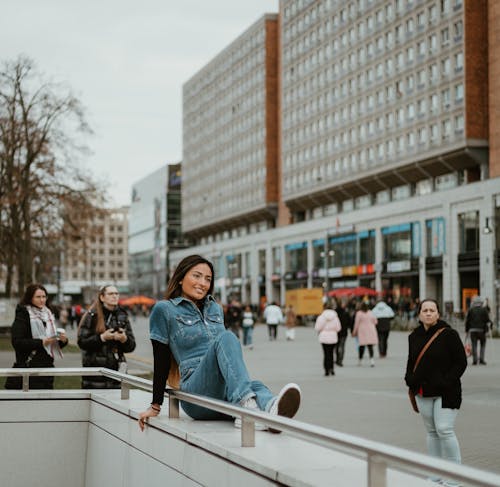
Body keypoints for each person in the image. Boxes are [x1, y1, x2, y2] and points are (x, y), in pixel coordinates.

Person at [138, 255, 301, 432]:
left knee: (256, 385)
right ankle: (248, 408)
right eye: (197, 276)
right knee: (227, 338)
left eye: (208, 279)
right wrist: (155, 405)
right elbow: (160, 360)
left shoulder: (214, 308)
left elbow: (224, 355)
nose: (203, 283)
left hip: (222, 390)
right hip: (195, 393)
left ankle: (271, 409)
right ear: (180, 278)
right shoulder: (164, 309)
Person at [404, 299, 467, 468]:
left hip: (447, 392)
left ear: (438, 314)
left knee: (444, 429)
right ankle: (435, 475)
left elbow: (461, 362)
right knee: (432, 433)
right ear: (419, 314)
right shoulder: (414, 336)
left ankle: (454, 476)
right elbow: (411, 362)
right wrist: (409, 379)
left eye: (432, 310)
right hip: (423, 392)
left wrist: (446, 381)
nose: (429, 313)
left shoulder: (449, 335)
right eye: (425, 310)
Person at [10, 283, 68, 389]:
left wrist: (62, 341)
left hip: (47, 368)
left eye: (44, 296)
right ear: (30, 298)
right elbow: (17, 342)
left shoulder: (48, 314)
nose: (42, 300)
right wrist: (41, 342)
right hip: (29, 368)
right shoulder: (23, 314)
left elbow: (51, 343)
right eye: (38, 297)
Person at [77, 285, 136, 389]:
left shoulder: (122, 315)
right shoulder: (92, 315)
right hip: (96, 373)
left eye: (116, 293)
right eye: (110, 294)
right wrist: (102, 337)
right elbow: (82, 342)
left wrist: (124, 339)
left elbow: (131, 346)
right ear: (102, 297)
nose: (114, 296)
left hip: (117, 371)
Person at [314, 304, 341, 376]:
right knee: (332, 353)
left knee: (326, 354)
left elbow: (317, 328)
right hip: (333, 337)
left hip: (324, 336)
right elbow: (338, 328)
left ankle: (326, 370)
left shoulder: (321, 317)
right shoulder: (335, 317)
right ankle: (332, 369)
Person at [465, 296, 491, 365]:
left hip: (473, 330)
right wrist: (490, 326)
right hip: (482, 330)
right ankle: (482, 359)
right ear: (481, 302)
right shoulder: (484, 310)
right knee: (483, 344)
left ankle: (475, 360)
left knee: (474, 345)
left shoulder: (471, 310)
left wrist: (467, 330)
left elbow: (467, 321)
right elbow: (487, 320)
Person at [352, 302, 378, 367]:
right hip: (371, 330)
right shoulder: (370, 312)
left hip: (362, 330)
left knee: (361, 346)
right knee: (370, 346)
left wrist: (354, 332)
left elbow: (356, 323)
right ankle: (372, 361)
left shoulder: (359, 313)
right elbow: (375, 321)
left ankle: (360, 361)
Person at [334, 300, 351, 367]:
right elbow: (349, 322)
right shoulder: (345, 313)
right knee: (342, 346)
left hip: (336, 332)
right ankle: (340, 360)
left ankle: (338, 358)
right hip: (344, 332)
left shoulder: (334, 313)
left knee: (336, 346)